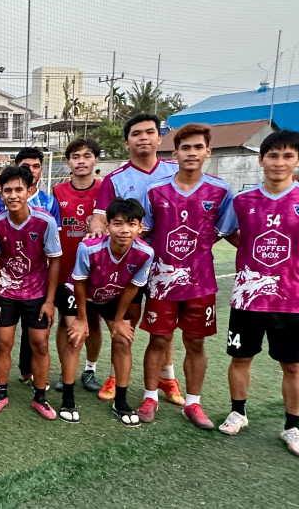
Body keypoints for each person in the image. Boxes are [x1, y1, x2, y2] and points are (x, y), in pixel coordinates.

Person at [216, 129, 299, 458]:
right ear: (261, 160)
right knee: (240, 358)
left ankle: (292, 426)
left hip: (293, 298)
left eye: (288, 156)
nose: (279, 162)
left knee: (293, 366)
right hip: (248, 296)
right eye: (272, 155)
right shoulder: (243, 201)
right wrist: (247, 253)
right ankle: (238, 412)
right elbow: (227, 231)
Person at [138, 124, 233, 429]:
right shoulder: (155, 191)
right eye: (185, 148)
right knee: (159, 339)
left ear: (208, 152)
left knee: (195, 342)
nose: (191, 153)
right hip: (161, 281)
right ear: (174, 153)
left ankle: (193, 404)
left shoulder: (221, 191)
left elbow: (225, 231)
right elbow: (146, 233)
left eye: (197, 147)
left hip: (200, 281)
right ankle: (150, 396)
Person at [87, 114, 181, 405]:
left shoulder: (176, 171)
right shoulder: (116, 179)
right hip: (130, 263)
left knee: (164, 325)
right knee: (127, 321)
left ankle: (167, 377)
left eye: (149, 132)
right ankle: (116, 376)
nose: (143, 137)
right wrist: (96, 239)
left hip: (170, 262)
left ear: (159, 138)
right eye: (136, 133)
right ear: (127, 141)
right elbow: (100, 219)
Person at [0, 165, 62, 419]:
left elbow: (54, 261)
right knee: (2, 345)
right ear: (1, 193)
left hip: (37, 295)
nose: (13, 195)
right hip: (6, 295)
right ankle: (1, 393)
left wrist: (50, 301)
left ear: (29, 191)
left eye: (19, 189)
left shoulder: (45, 221)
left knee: (39, 345)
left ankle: (40, 397)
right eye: (7, 190)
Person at [70, 198, 154, 426]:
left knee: (123, 340)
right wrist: (81, 317)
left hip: (113, 296)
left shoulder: (145, 253)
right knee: (75, 336)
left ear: (140, 227)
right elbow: (79, 282)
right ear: (107, 226)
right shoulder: (88, 248)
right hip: (85, 293)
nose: (124, 230)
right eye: (118, 223)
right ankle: (68, 399)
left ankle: (121, 401)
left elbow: (132, 287)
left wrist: (119, 320)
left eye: (131, 224)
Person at [47, 139, 104, 398]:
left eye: (87, 155)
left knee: (93, 321)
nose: (81, 160)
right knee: (65, 321)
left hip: (98, 271)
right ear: (68, 162)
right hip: (65, 271)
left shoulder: (106, 189)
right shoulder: (57, 192)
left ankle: (89, 369)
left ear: (95, 160)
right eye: (76, 156)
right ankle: (65, 370)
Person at [0, 148, 62, 226]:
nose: (31, 170)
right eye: (26, 166)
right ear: (17, 168)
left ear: (41, 170)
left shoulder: (49, 201)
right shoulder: (0, 200)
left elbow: (54, 234)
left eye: (36, 166)